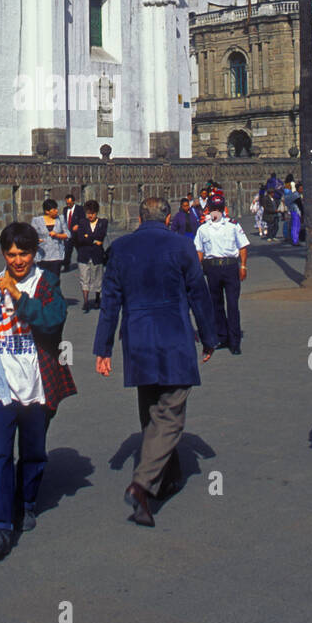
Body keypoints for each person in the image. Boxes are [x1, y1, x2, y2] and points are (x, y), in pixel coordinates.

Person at [93, 198, 218, 527]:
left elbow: (110, 302)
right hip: (174, 337)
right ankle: (142, 485)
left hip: (137, 339)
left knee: (151, 412)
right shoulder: (181, 245)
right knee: (172, 414)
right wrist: (209, 336)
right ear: (167, 219)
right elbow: (198, 293)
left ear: (138, 216)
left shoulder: (120, 248)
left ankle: (165, 479)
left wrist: (103, 348)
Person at [0, 222, 77, 558]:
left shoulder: (46, 283)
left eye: (24, 253)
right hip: (0, 386)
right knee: (0, 455)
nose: (18, 260)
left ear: (35, 253)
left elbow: (51, 321)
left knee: (33, 451)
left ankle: (27, 500)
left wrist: (18, 296)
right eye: (11, 254)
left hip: (37, 383)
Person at [194, 197, 249, 354]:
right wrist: (196, 269)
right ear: (209, 209)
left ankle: (235, 341)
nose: (216, 210)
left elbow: (243, 246)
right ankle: (222, 337)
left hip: (230, 267)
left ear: (223, 208)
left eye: (219, 207)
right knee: (215, 305)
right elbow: (199, 251)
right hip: (212, 269)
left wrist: (243, 266)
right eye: (213, 207)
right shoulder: (203, 229)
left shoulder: (232, 226)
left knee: (232, 305)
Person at [72, 200, 108, 312]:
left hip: (97, 255)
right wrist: (93, 239)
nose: (90, 215)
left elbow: (101, 235)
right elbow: (80, 238)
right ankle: (86, 301)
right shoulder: (82, 222)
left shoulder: (103, 222)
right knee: (84, 277)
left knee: (98, 278)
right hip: (84, 254)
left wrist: (88, 236)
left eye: (92, 213)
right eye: (88, 213)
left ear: (96, 213)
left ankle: (97, 298)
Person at [31, 200, 69, 281]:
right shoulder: (37, 220)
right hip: (42, 255)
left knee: (54, 279)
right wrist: (37, 240)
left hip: (56, 255)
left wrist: (57, 235)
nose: (56, 211)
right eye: (54, 209)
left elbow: (68, 235)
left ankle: (54, 293)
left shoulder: (60, 219)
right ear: (47, 211)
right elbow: (31, 236)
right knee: (43, 280)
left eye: (56, 208)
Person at [62, 193, 84, 271]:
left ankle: (83, 264)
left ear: (73, 202)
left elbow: (83, 219)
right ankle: (66, 266)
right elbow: (64, 220)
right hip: (68, 233)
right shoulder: (65, 209)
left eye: (69, 203)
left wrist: (78, 225)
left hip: (77, 234)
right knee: (67, 251)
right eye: (67, 203)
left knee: (80, 250)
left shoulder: (79, 209)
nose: (68, 204)